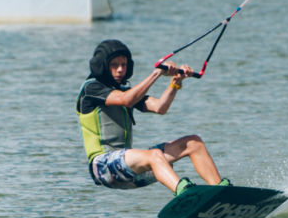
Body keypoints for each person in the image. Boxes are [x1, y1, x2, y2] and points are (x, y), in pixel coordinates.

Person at [76, 39, 231, 196]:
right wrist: (157, 73)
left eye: (124, 65)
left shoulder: (125, 91)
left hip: (128, 169)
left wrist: (175, 83)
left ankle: (222, 193)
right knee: (154, 156)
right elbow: (126, 100)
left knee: (193, 143)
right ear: (103, 66)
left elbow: (160, 107)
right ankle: (186, 195)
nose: (120, 70)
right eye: (114, 65)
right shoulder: (91, 89)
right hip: (104, 168)